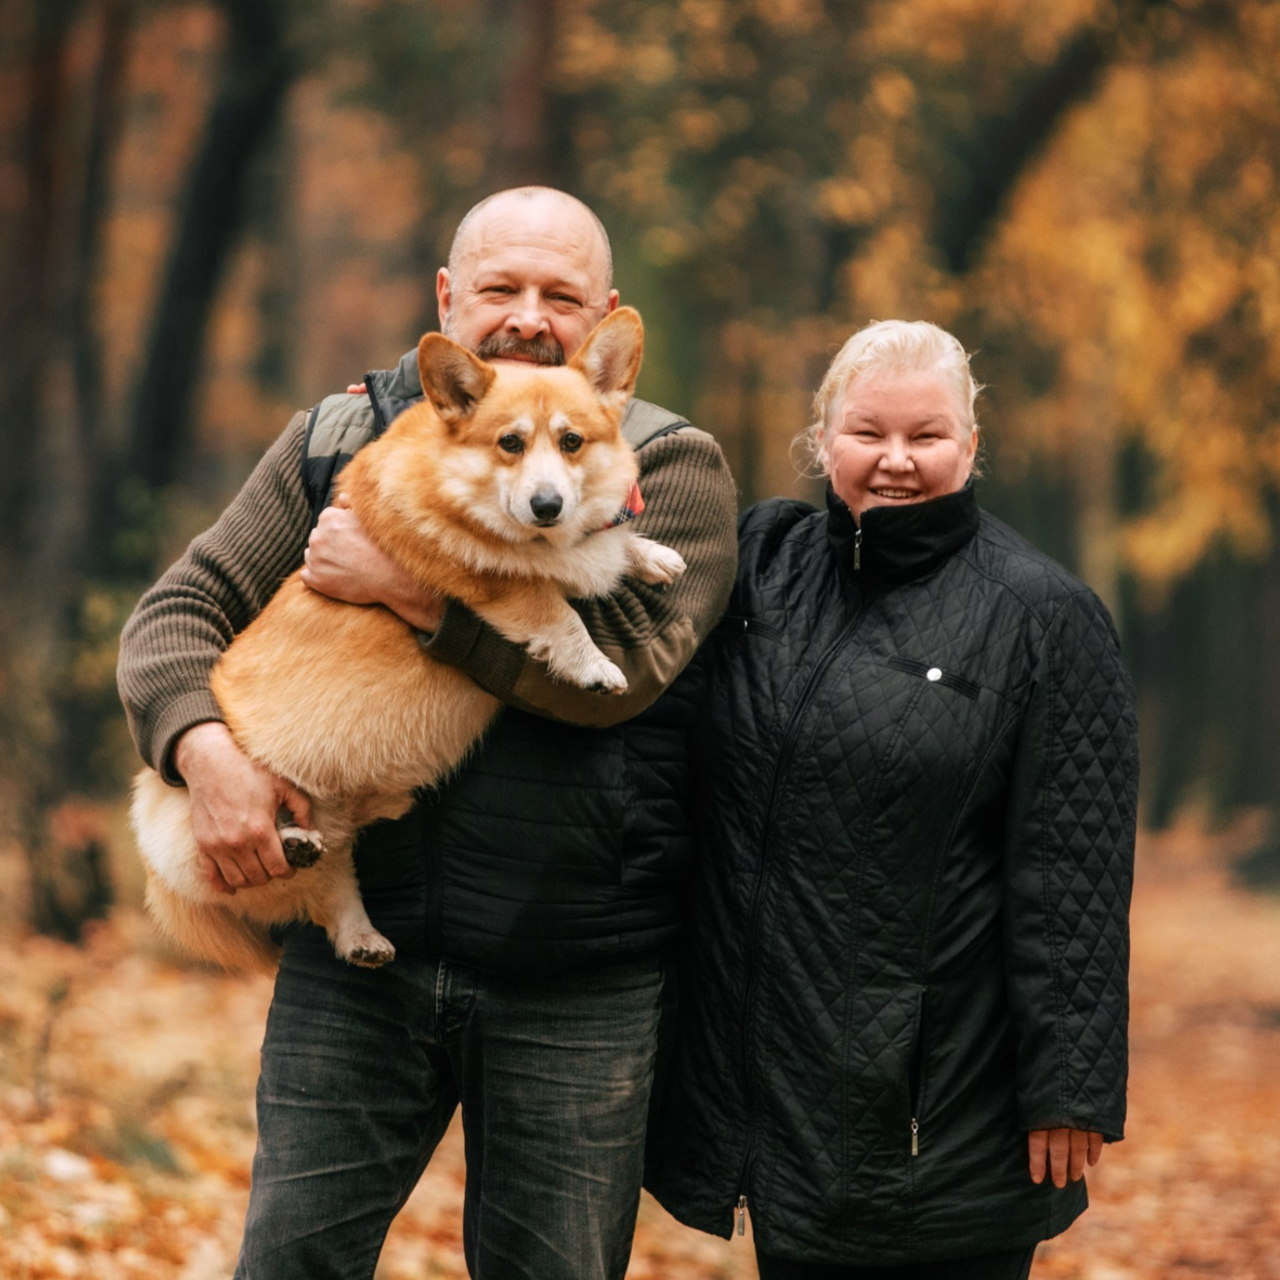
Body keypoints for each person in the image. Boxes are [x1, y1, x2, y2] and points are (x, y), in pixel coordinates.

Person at [117, 186, 738, 1280]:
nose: (528, 315)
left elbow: (622, 678)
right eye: (500, 287)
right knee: (291, 1263)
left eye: (561, 294)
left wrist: (416, 598)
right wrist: (202, 753)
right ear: (450, 300)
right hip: (359, 971)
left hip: (574, 972)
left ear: (605, 319)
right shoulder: (339, 436)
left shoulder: (669, 465)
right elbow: (176, 615)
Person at [645, 320, 1139, 1280]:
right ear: (823, 436)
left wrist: (1070, 1085)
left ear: (971, 445)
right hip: (778, 1089)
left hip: (943, 1099)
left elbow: (1071, 867)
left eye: (929, 435)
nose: (897, 462)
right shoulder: (759, 565)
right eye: (869, 433)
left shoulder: (1044, 615)